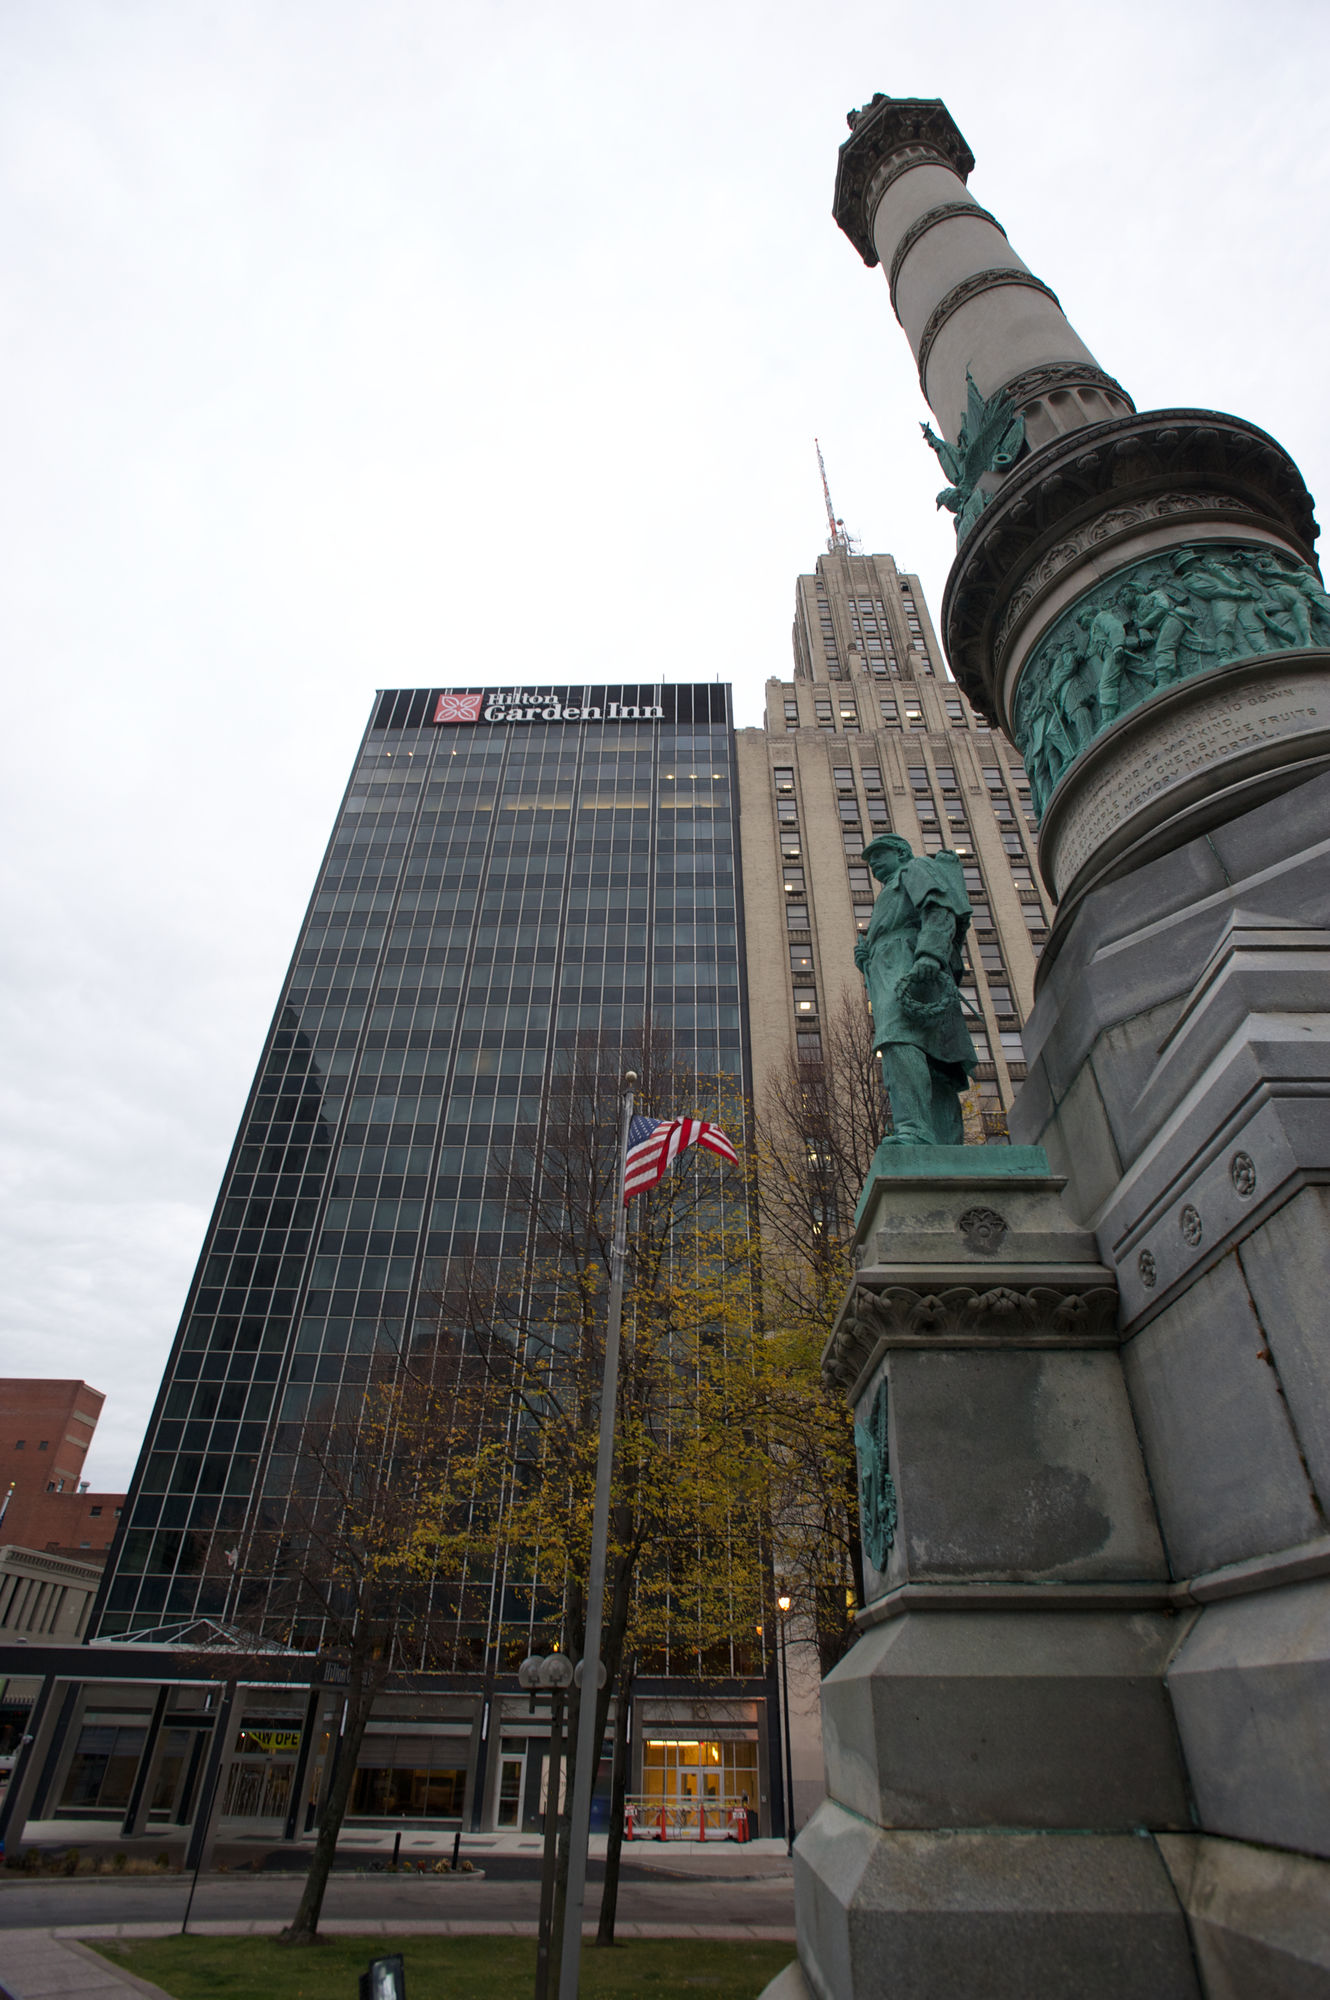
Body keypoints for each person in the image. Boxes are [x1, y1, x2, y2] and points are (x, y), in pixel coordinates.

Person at [854, 836, 977, 1146]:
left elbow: (939, 910)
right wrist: (867, 959)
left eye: (880, 855)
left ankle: (914, 1130)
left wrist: (930, 954)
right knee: (924, 1053)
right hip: (887, 967)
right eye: (870, 862)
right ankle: (944, 1140)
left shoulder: (915, 869)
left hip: (911, 964)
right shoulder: (888, 892)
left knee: (898, 1039)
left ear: (901, 852)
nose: (874, 865)